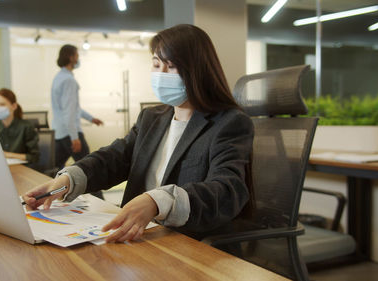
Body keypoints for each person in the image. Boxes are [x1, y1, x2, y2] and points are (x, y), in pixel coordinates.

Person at [23, 24, 254, 243]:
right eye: (156, 64)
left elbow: (227, 191)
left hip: (189, 243)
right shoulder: (151, 118)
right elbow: (114, 159)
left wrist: (157, 201)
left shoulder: (229, 123)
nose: (161, 73)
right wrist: (64, 182)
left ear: (198, 70)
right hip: (139, 237)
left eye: (171, 66)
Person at [51, 44, 104, 199]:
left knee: (55, 169)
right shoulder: (69, 81)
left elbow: (73, 108)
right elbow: (69, 111)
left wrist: (90, 118)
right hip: (70, 133)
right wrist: (74, 137)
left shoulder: (59, 77)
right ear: (70, 57)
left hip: (60, 132)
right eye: (77, 55)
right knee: (89, 169)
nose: (78, 58)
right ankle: (101, 203)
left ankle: (51, 196)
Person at [0, 88, 39, 163]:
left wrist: (7, 155)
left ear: (14, 106)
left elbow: (34, 157)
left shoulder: (26, 126)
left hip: (21, 170)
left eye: (2, 104)